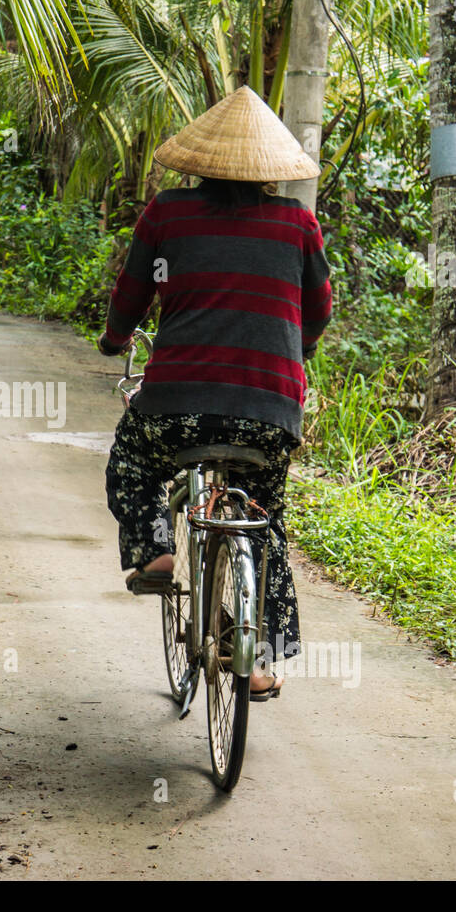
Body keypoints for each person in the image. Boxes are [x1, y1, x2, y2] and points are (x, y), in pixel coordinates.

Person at [99, 86, 332, 701]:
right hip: (270, 413)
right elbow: (319, 309)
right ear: (269, 171)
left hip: (176, 404)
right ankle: (255, 659)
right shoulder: (297, 223)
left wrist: (113, 337)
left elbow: (131, 294)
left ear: (200, 162)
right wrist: (295, 353)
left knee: (132, 464)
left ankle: (153, 554)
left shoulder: (167, 214)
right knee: (262, 520)